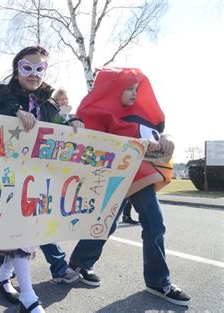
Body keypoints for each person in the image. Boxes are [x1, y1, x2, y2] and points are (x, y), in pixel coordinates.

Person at [69, 67, 191, 306]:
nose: (135, 94)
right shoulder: (97, 112)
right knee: (108, 223)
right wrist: (73, 121)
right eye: (129, 89)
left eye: (137, 89)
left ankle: (158, 280)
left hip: (139, 176)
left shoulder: (140, 113)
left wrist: (167, 138)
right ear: (114, 89)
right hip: (112, 178)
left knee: (154, 223)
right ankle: (80, 264)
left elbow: (158, 131)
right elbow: (81, 131)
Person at [0, 46, 84, 312]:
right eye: (27, 67)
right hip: (7, 177)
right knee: (18, 233)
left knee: (22, 234)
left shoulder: (47, 103)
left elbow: (59, 127)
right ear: (17, 69)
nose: (34, 74)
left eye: (40, 69)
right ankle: (29, 299)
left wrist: (73, 122)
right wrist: (15, 111)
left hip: (38, 180)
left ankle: (4, 277)